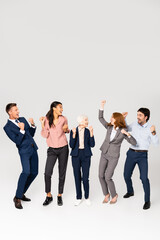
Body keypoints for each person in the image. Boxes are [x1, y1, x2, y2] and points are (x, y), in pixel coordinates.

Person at [98, 100, 136, 204]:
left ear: (117, 119)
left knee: (108, 177)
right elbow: (101, 118)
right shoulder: (109, 126)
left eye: (112, 117)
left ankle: (114, 195)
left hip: (113, 156)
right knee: (100, 175)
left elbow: (134, 142)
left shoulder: (123, 130)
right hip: (104, 153)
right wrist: (102, 106)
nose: (111, 118)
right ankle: (106, 194)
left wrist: (127, 134)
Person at [4, 103, 38, 209]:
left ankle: (21, 193)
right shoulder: (7, 127)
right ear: (10, 112)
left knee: (34, 173)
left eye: (18, 109)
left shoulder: (22, 119)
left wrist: (32, 125)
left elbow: (31, 134)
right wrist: (22, 130)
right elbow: (17, 141)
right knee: (26, 172)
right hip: (24, 151)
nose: (18, 111)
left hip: (33, 148)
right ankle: (18, 198)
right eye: (15, 110)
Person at [123, 108, 159, 210]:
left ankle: (147, 200)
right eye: (137, 114)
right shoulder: (134, 124)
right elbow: (126, 129)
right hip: (131, 153)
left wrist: (153, 132)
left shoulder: (150, 128)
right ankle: (130, 191)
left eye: (140, 115)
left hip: (142, 156)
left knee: (144, 178)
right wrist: (124, 119)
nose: (138, 117)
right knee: (126, 175)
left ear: (146, 117)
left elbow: (156, 143)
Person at [40, 101, 69, 206]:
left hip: (63, 148)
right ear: (54, 108)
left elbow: (66, 130)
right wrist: (43, 125)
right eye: (60, 107)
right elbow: (44, 135)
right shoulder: (47, 119)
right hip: (52, 149)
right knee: (47, 173)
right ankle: (48, 195)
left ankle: (59, 195)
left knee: (62, 172)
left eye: (62, 107)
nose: (62, 109)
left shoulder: (63, 119)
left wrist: (66, 130)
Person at [70, 115, 95, 206]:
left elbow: (92, 145)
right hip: (76, 156)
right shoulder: (74, 130)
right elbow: (71, 145)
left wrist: (92, 133)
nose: (87, 122)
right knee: (77, 177)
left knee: (85, 178)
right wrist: (73, 135)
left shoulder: (88, 131)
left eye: (87, 120)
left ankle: (87, 197)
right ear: (80, 121)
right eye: (85, 120)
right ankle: (78, 197)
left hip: (86, 155)